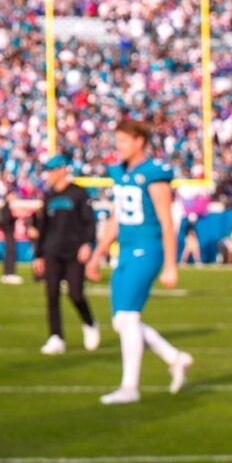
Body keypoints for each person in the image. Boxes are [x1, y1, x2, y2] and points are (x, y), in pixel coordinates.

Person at [86, 121, 193, 404]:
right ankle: (175, 357)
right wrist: (97, 255)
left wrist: (171, 263)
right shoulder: (121, 173)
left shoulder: (153, 174)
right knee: (122, 321)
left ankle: (130, 387)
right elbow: (116, 219)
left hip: (148, 249)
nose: (118, 145)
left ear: (139, 142)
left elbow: (167, 221)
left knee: (128, 317)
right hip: (127, 249)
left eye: (123, 140)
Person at [30, 154, 99, 356]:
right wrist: (39, 255)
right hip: (52, 251)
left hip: (74, 252)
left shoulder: (79, 193)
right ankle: (56, 336)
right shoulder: (49, 196)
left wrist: (87, 244)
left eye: (52, 170)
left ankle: (89, 322)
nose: (49, 175)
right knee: (52, 294)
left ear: (62, 170)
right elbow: (43, 228)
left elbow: (89, 222)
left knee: (75, 294)